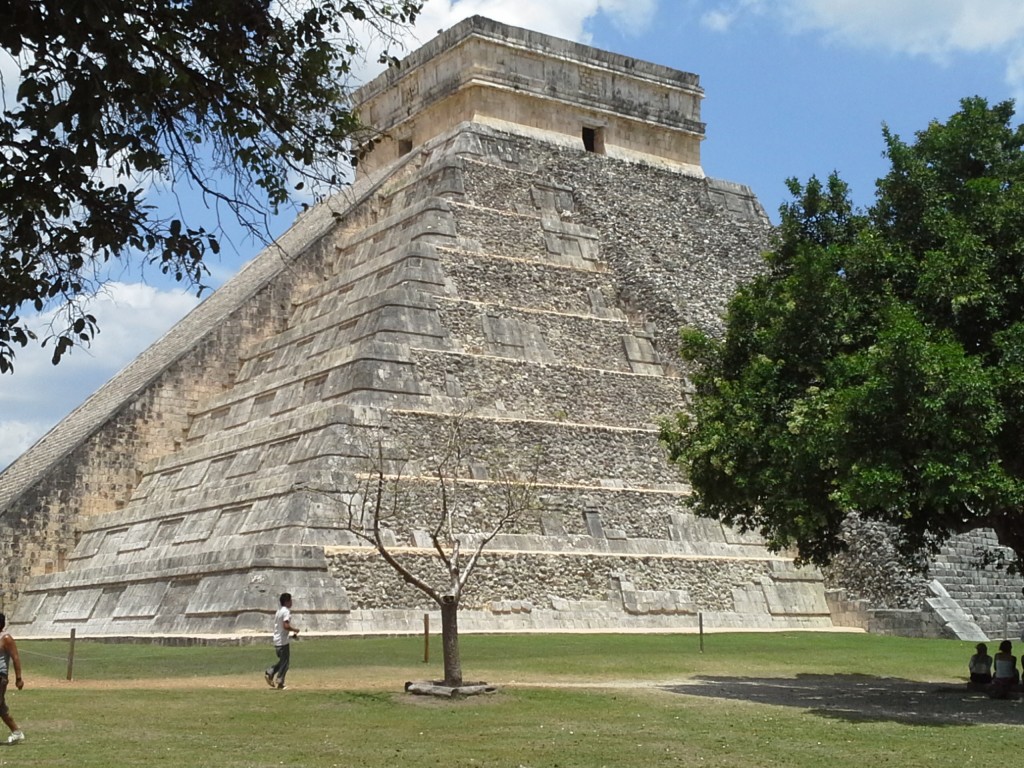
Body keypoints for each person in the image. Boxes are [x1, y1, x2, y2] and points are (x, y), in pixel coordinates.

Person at [264, 593, 299, 690]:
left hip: (277, 639)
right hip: (282, 641)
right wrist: (295, 630)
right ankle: (280, 681)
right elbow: (286, 626)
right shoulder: (286, 612)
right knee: (286, 663)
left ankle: (270, 672)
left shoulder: (278, 611)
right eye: (290, 600)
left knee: (283, 661)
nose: (292, 602)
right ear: (287, 601)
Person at [0, 613, 25, 744]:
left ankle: (17, 732)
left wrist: (18, 678)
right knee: (1, 708)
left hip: (0, 677)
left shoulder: (6, 639)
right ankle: (16, 732)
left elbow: (15, 658)